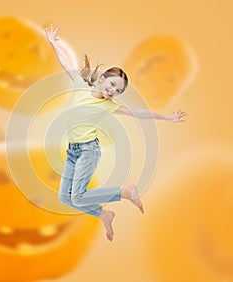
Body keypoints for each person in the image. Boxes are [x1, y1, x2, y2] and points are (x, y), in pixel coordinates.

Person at [45, 24, 187, 241]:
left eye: (118, 90)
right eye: (112, 84)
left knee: (79, 196)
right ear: (101, 80)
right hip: (73, 151)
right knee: (66, 198)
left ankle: (126, 192)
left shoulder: (110, 105)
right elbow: (66, 64)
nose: (113, 91)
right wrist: (53, 43)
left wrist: (168, 117)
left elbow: (140, 113)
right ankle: (103, 214)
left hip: (88, 152)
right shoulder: (80, 87)